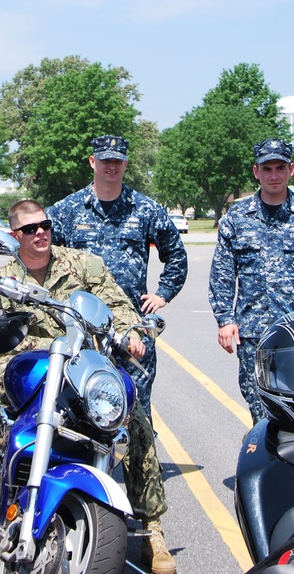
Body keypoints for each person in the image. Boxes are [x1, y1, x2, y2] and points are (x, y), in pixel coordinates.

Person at [0, 200, 177, 574]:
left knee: (132, 417)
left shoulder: (83, 263)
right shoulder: (8, 271)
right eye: (29, 229)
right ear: (15, 236)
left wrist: (129, 331)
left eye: (44, 225)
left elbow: (117, 303)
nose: (39, 232)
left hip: (83, 357)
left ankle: (153, 531)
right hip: (33, 356)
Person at [47, 135, 188, 418]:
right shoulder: (66, 210)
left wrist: (163, 293)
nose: (111, 166)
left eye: (117, 160)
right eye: (105, 160)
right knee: (77, 410)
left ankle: (140, 463)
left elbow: (176, 255)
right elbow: (46, 258)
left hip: (132, 327)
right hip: (81, 328)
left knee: (136, 411)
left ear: (125, 164)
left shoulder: (146, 209)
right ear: (92, 162)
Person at [209, 138, 294, 423]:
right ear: (256, 172)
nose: (273, 175)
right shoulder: (237, 216)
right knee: (259, 407)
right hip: (253, 334)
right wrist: (224, 318)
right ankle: (265, 460)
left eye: (280, 167)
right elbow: (222, 271)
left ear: (291, 169)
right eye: (266, 168)